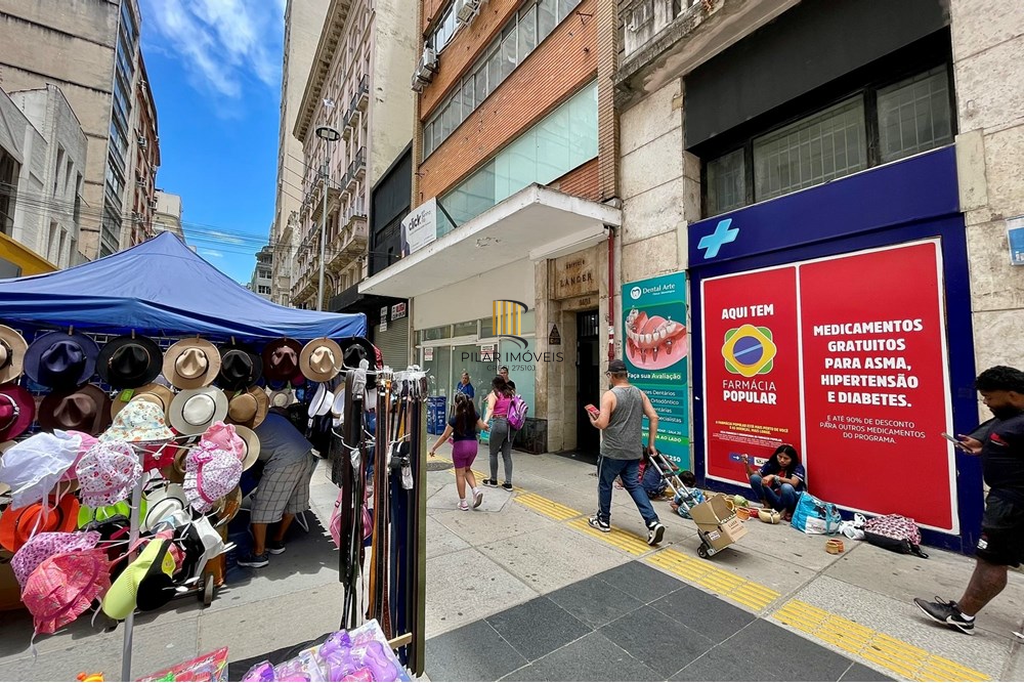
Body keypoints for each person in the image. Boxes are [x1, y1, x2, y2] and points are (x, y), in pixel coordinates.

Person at [915, 366, 1024, 636]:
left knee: (991, 560)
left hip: (1011, 504)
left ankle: (962, 615)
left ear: (1012, 394)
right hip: (1008, 500)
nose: (986, 403)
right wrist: (982, 445)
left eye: (989, 397)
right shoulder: (1010, 415)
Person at [588, 359, 667, 546]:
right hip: (633, 451)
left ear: (612, 376)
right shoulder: (639, 393)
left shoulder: (610, 395)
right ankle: (653, 522)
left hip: (612, 451)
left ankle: (603, 520)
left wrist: (593, 420)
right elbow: (654, 417)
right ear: (626, 375)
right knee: (634, 485)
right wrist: (651, 445)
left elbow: (602, 424)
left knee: (605, 484)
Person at [238, 408, 318, 568]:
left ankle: (258, 554)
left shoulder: (243, 430)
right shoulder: (272, 416)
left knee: (262, 506)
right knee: (293, 501)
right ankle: (277, 540)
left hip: (285, 461)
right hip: (306, 454)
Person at [429, 393, 489, 510]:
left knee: (460, 474)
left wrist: (434, 448)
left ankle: (463, 503)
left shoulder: (454, 419)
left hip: (460, 447)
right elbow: (482, 426)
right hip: (473, 446)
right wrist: (486, 426)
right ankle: (475, 490)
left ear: (456, 404)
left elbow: (445, 436)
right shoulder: (474, 415)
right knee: (467, 469)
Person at [742, 444, 805, 520]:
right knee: (754, 478)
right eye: (780, 457)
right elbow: (754, 476)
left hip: (789, 501)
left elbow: (794, 482)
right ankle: (766, 504)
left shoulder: (797, 467)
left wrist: (773, 476)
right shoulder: (772, 464)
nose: (782, 460)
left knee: (786, 487)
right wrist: (747, 465)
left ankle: (789, 511)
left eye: (786, 458)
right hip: (775, 498)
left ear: (792, 459)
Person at [482, 375, 515, 490]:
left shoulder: (494, 394)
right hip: (511, 426)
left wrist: (485, 422)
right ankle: (508, 483)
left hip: (499, 423)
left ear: (494, 385)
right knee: (507, 454)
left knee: (493, 453)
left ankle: (493, 480)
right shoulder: (510, 393)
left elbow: (490, 409)